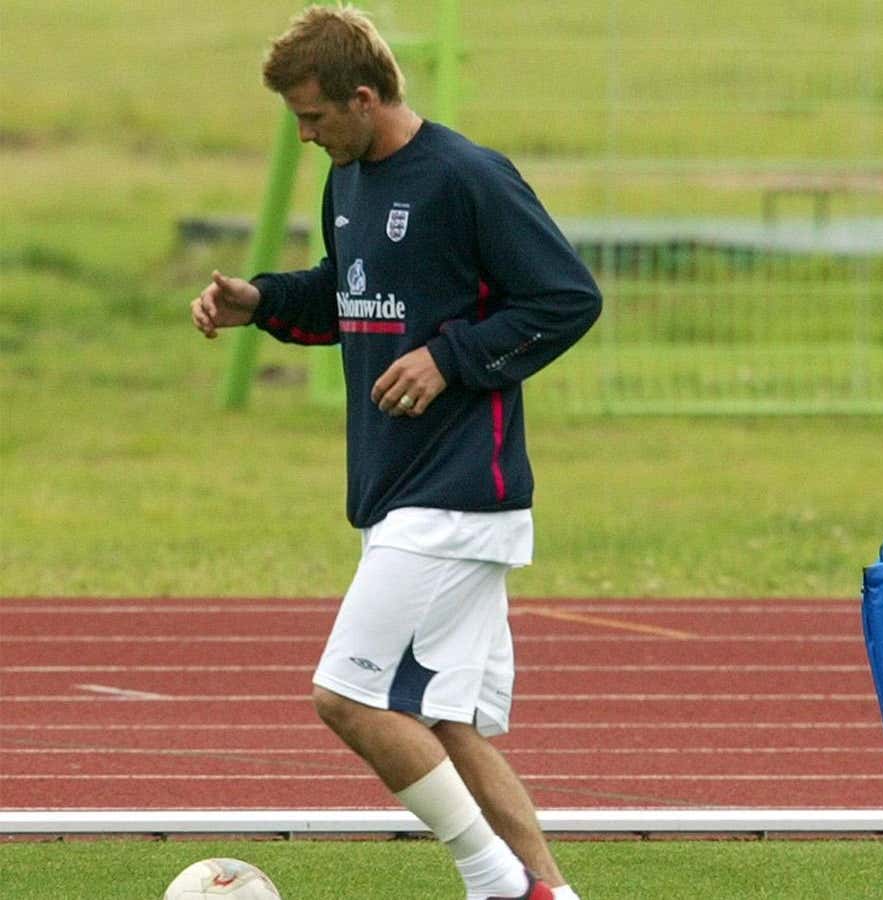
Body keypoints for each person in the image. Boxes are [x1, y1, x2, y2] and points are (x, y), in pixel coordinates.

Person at [190, 7, 601, 900]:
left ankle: (500, 883)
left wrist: (450, 358)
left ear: (365, 97)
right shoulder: (349, 181)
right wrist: (258, 299)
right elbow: (351, 300)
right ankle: (550, 894)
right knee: (445, 725)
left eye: (314, 117)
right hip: (398, 493)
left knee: (346, 697)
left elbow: (567, 299)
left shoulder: (466, 177)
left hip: (457, 495)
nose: (304, 136)